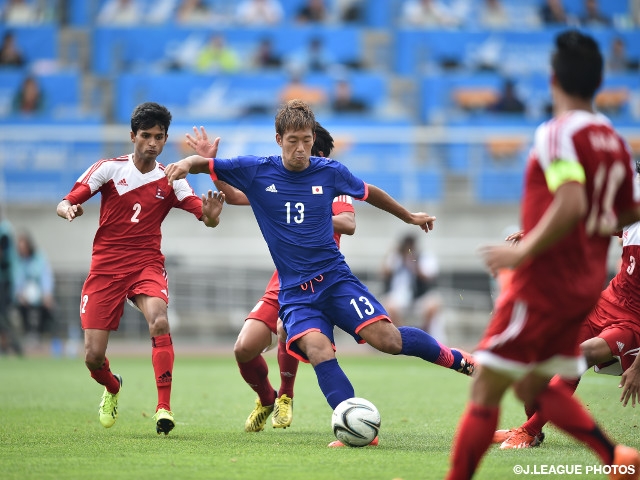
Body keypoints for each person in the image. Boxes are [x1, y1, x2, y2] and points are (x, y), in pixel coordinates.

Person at [165, 99, 475, 448]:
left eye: (307, 140)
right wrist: (185, 164)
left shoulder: (330, 171)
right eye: (294, 140)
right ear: (279, 138)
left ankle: (458, 359)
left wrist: (409, 217)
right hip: (296, 293)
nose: (301, 148)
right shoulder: (256, 170)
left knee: (388, 341)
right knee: (317, 349)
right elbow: (201, 163)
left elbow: (369, 193)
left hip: (335, 279)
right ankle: (354, 425)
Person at [446, 30, 640, 480]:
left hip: (546, 282)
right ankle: (616, 458)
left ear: (553, 80)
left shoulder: (557, 132)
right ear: (598, 82)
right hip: (587, 286)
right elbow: (627, 210)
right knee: (536, 381)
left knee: (486, 386)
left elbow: (572, 201)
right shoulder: (612, 140)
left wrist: (525, 251)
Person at [55, 102, 225, 435]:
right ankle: (113, 386)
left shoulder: (171, 178)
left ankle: (164, 407)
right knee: (92, 356)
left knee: (159, 320)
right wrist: (67, 210)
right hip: (106, 267)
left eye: (159, 137)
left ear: (165, 140)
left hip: (146, 263)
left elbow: (205, 217)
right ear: (132, 136)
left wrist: (212, 215)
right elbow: (68, 200)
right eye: (145, 135)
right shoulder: (108, 169)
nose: (152, 143)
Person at [185, 122, 354, 432]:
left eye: (307, 149)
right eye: (294, 145)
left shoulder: (333, 183)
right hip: (283, 279)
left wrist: (310, 208)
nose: (299, 156)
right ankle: (266, 398)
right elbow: (235, 196)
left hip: (320, 281)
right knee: (243, 348)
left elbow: (348, 222)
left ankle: (286, 397)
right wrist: (212, 168)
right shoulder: (282, 183)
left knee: (285, 327)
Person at [493, 204, 640, 450]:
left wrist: (637, 367)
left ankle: (528, 432)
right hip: (604, 304)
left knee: (583, 353)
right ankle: (532, 429)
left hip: (632, 322)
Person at [380, 234, 442, 336]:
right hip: (398, 297)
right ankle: (403, 334)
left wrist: (413, 262)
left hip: (419, 297)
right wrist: (392, 253)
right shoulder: (395, 257)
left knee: (434, 303)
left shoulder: (423, 257)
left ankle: (424, 333)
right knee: (389, 305)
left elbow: (427, 277)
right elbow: (384, 273)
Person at [14, 230, 56, 346]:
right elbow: (18, 279)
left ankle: (43, 335)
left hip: (40, 296)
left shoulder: (39, 257)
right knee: (22, 310)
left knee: (48, 311)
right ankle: (28, 334)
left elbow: (45, 276)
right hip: (25, 297)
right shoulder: (19, 261)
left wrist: (47, 294)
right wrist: (20, 294)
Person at [0, 212, 21, 356]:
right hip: (6, 279)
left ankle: (14, 345)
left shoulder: (4, 231)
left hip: (4, 280)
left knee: (4, 315)